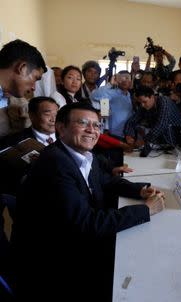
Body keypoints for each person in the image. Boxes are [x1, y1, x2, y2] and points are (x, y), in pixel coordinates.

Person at [12, 102, 165, 300]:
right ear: (61, 127)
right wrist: (145, 210)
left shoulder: (79, 154)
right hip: (60, 261)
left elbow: (106, 181)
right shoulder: (56, 164)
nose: (92, 130)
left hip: (77, 240)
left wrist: (140, 190)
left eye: (96, 125)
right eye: (83, 123)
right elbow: (84, 224)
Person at [91, 70, 134, 139]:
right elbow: (94, 96)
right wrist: (110, 84)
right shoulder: (112, 92)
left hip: (128, 134)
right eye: (122, 78)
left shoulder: (130, 95)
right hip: (115, 134)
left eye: (127, 78)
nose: (125, 80)